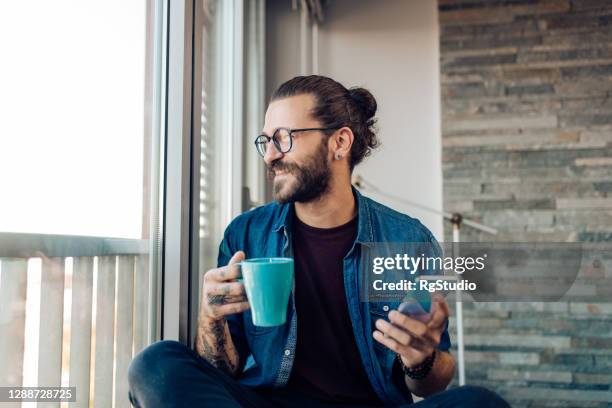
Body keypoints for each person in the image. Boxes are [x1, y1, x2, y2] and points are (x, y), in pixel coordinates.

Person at [128, 75, 509, 407]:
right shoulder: (246, 235)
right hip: (268, 402)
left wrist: (422, 358)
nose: (271, 155)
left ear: (339, 142)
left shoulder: (407, 240)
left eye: (284, 138)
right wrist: (211, 318)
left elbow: (431, 384)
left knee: (481, 402)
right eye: (266, 140)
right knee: (156, 365)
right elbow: (223, 370)